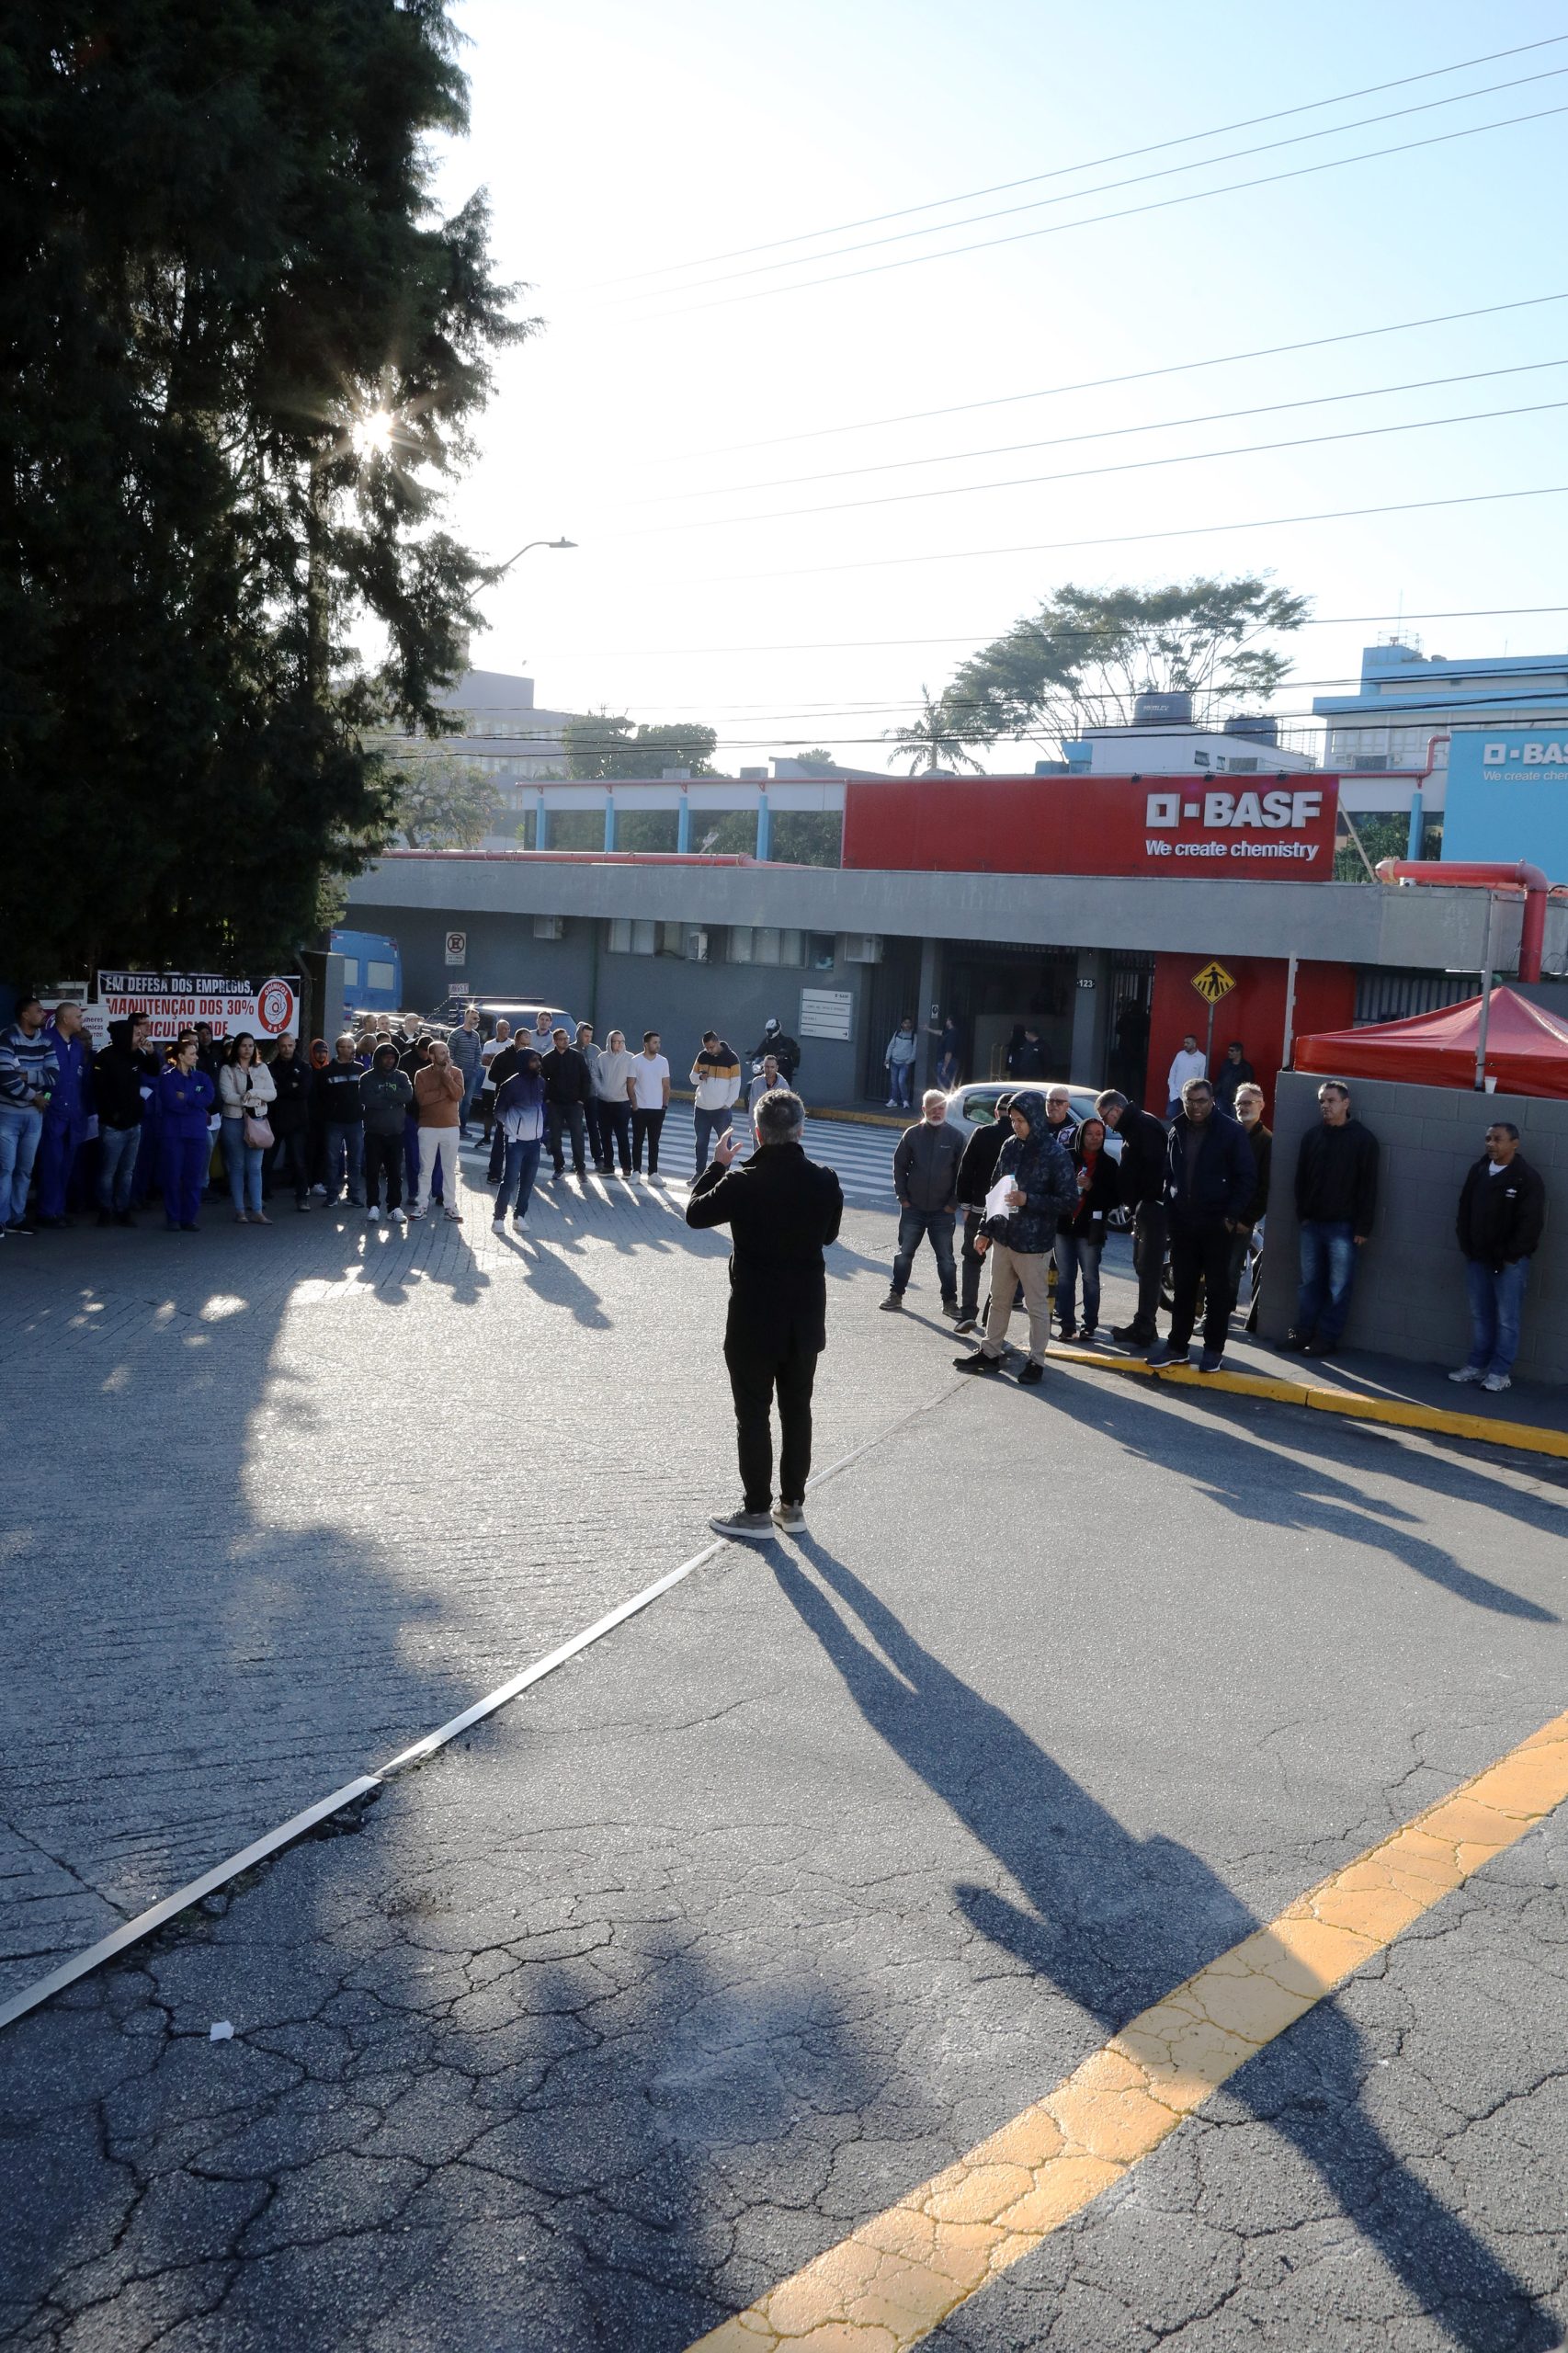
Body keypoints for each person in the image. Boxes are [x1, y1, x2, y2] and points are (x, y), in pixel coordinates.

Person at [687, 1088, 843, 1540]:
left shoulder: (741, 1182)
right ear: (800, 1130)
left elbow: (695, 1214)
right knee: (798, 1410)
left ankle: (756, 1512)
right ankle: (792, 1507)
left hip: (754, 1315)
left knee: (753, 1414)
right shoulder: (824, 1179)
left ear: (757, 1132)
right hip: (805, 1315)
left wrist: (717, 1164)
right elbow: (830, 1236)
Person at [953, 1094, 1077, 1384]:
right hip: (1004, 1238)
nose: (1016, 1126)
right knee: (999, 1299)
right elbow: (996, 1189)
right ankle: (990, 1352)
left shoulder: (1055, 1154)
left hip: (1034, 1245)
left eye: (1021, 1121)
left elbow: (1069, 1200)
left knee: (1036, 1306)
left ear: (1034, 1119)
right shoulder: (1009, 1145)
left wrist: (1028, 1199)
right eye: (1012, 1120)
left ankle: (1036, 1361)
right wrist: (985, 1230)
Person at [1147, 1077, 1254, 1373]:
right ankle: (1177, 1347)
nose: (1195, 1107)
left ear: (1212, 1101)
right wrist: (1171, 1208)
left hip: (1217, 1224)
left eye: (1201, 1101)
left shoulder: (1230, 1132)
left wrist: (1231, 1217)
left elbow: (1246, 1178)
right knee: (1183, 1288)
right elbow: (1170, 1174)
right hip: (1183, 1223)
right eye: (1189, 1101)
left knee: (1217, 1291)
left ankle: (1213, 1350)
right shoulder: (1176, 1129)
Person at [1279, 1080, 1380, 1358]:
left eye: (1331, 1100)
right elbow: (1300, 1178)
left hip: (1344, 1227)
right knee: (1309, 1283)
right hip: (1312, 1224)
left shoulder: (1363, 1140)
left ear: (1346, 1103)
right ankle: (1303, 1332)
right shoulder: (1312, 1136)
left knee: (1338, 1287)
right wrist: (1303, 1214)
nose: (1325, 1106)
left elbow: (1369, 1186)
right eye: (1322, 1101)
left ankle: (1327, 1338)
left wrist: (1363, 1227)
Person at [1449, 1120, 1546, 1394]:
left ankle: (1500, 1372)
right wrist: (1467, 1246)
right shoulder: (1479, 1170)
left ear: (1514, 1143)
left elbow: (1531, 1224)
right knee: (1481, 1315)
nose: (1491, 1144)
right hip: (1477, 1258)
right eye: (1488, 1138)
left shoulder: (1525, 1178)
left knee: (1507, 1319)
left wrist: (1510, 1256)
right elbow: (1464, 1209)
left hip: (1509, 1263)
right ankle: (1477, 1365)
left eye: (1498, 1139)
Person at [1096, 1087, 1170, 1347]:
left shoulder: (1142, 1126)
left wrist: (1140, 1201)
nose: (1107, 1125)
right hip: (1145, 1207)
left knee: (1148, 1268)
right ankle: (1145, 1322)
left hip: (1151, 1206)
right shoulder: (1136, 1126)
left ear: (1116, 1110)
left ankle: (1145, 1326)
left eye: (1106, 1118)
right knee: (1143, 1266)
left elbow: (1154, 1169)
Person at [881, 1088, 962, 1316]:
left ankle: (950, 1302)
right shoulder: (912, 1134)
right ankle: (895, 1295)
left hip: (942, 1211)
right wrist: (903, 1198)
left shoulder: (956, 1137)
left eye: (941, 1107)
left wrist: (952, 1204)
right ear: (924, 1109)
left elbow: (962, 1174)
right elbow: (899, 1166)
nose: (937, 1112)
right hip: (913, 1209)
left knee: (946, 1259)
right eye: (933, 1108)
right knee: (904, 1254)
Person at [952, 1090, 1014, 1335]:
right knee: (1004, 1265)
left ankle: (968, 1312)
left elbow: (966, 1171)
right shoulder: (1024, 1136)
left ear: (996, 1112)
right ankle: (991, 1315)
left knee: (972, 1259)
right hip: (1011, 1211)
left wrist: (965, 1206)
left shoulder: (983, 1133)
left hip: (980, 1207)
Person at [1054, 1115, 1118, 1342]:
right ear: (1081, 1135)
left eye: (1099, 1134)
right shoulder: (1065, 1158)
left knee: (1090, 1277)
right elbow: (1053, 1187)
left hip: (1090, 1228)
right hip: (1063, 1227)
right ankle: (1067, 1324)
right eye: (1090, 1134)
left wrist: (1092, 1186)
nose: (1095, 1138)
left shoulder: (1109, 1164)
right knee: (1065, 1278)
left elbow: (1114, 1199)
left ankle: (1089, 1324)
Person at [0, 998, 56, 1233]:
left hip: (35, 1115)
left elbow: (54, 1076)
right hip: (8, 1114)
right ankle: (1, 1219)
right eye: (39, 1010)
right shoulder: (7, 1038)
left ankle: (17, 1217)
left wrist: (26, 1075)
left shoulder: (46, 1040)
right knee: (5, 1169)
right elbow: (5, 1078)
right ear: (25, 1014)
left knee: (24, 1170)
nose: (43, 1014)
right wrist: (35, 1096)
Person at [35, 1003, 93, 1227]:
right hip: (53, 1112)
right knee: (51, 1163)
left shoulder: (77, 1047)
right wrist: (44, 1096)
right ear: (65, 1019)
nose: (82, 1021)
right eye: (78, 1017)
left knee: (66, 1165)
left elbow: (78, 1079)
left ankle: (58, 1209)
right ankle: (46, 1211)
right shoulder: (45, 1040)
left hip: (74, 1114)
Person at [93, 1016, 153, 1226]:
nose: (140, 1037)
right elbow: (100, 1091)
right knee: (108, 1172)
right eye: (136, 1034)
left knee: (127, 1171)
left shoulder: (136, 1055)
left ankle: (123, 1208)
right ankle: (105, 1209)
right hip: (113, 1126)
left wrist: (151, 1053)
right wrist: (114, 1115)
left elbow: (153, 1070)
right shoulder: (104, 1057)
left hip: (134, 1124)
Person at [217, 1031, 278, 1224]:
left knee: (255, 1167)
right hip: (233, 1120)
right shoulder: (228, 1069)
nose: (247, 1049)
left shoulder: (262, 1068)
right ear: (237, 1047)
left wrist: (253, 1093)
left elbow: (272, 1093)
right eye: (244, 1045)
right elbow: (227, 1096)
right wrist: (247, 1099)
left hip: (257, 1121)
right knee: (237, 1166)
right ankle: (239, 1210)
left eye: (251, 1046)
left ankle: (257, 1210)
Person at [156, 1036, 216, 1230]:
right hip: (173, 1134)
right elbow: (170, 1102)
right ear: (181, 1056)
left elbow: (208, 1097)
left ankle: (188, 1218)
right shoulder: (167, 1077)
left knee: (193, 1177)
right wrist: (193, 1102)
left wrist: (187, 1098)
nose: (196, 1057)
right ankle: (173, 1217)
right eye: (191, 1054)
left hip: (196, 1134)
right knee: (173, 1176)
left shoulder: (201, 1077)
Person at [1228, 1082, 1272, 1326]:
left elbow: (1265, 1187)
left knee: (1232, 1268)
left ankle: (1221, 1313)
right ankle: (1207, 1311)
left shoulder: (1267, 1142)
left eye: (1248, 1102)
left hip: (1242, 1218)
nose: (1242, 1107)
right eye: (1239, 1103)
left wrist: (1248, 1219)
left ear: (1261, 1104)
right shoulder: (1227, 1133)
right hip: (1218, 1213)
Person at [493, 1047, 547, 1231]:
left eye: (538, 1060)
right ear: (525, 1062)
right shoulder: (511, 1084)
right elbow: (499, 1111)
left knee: (528, 1181)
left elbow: (542, 1109)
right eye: (533, 1061)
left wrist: (542, 1133)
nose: (538, 1064)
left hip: (534, 1142)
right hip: (516, 1142)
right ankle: (498, 1218)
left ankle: (520, 1216)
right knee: (509, 1180)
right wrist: (512, 1130)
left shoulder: (541, 1083)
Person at [410, 1037, 464, 1220]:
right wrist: (444, 1092)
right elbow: (422, 1100)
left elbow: (457, 1095)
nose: (447, 1056)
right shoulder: (421, 1074)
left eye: (447, 1052)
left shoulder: (456, 1072)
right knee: (426, 1169)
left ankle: (450, 1206)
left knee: (449, 1169)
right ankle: (421, 1205)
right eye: (442, 1053)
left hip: (451, 1126)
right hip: (428, 1127)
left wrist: (446, 1075)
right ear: (431, 1056)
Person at [360, 1043, 413, 1224]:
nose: (389, 1061)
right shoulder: (367, 1077)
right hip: (374, 1132)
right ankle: (373, 1206)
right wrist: (392, 1099)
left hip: (396, 1132)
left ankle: (394, 1207)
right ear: (378, 1058)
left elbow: (408, 1096)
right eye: (386, 1057)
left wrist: (386, 1093)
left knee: (395, 1173)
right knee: (372, 1171)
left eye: (392, 1057)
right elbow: (368, 1099)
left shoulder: (401, 1076)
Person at [266, 1033, 313, 1211]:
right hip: (275, 1120)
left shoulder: (304, 1067)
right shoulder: (269, 1068)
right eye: (283, 1046)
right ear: (278, 1047)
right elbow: (269, 1092)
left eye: (290, 1045)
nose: (287, 1049)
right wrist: (291, 1086)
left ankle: (302, 1197)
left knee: (299, 1161)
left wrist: (281, 1087)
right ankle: (262, 1195)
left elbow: (303, 1091)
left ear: (295, 1046)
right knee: (267, 1160)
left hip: (297, 1122)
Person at [318, 1035, 367, 1207]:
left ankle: (354, 1195)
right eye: (346, 1046)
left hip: (355, 1121)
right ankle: (331, 1195)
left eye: (351, 1046)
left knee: (356, 1160)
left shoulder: (360, 1069)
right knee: (332, 1160)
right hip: (334, 1122)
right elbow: (321, 1098)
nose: (350, 1050)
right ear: (338, 1049)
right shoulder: (327, 1071)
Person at [541, 1025, 592, 1179]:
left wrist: (581, 1100)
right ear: (555, 1041)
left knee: (577, 1136)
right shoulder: (548, 1058)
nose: (565, 1041)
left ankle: (580, 1168)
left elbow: (586, 1079)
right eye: (561, 1039)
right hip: (555, 1104)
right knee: (555, 1137)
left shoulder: (577, 1056)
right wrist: (548, 1099)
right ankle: (559, 1165)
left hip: (574, 1104)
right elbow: (543, 1080)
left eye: (566, 1039)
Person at [690, 1031, 743, 1173]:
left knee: (724, 1142)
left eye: (711, 1047)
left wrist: (727, 1104)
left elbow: (736, 1084)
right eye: (706, 1047)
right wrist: (700, 1077)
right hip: (701, 1107)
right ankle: (699, 1172)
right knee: (701, 1142)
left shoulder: (732, 1058)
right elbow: (692, 1077)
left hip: (721, 1110)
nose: (709, 1050)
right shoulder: (702, 1056)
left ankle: (724, 1173)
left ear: (718, 1042)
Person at [594, 1029, 636, 1176]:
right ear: (609, 1042)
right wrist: (601, 1090)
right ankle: (608, 1165)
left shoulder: (630, 1058)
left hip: (622, 1102)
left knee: (622, 1135)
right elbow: (595, 1075)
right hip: (603, 1101)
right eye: (615, 1041)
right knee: (604, 1135)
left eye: (621, 1041)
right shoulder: (602, 1058)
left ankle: (626, 1166)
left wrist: (626, 1094)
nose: (618, 1044)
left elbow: (633, 1080)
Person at [631, 1030, 671, 1176]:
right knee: (638, 1141)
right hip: (640, 1108)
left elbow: (666, 1085)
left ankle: (653, 1172)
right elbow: (630, 1084)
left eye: (659, 1042)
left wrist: (664, 1106)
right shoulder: (635, 1061)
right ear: (646, 1044)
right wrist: (635, 1106)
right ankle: (636, 1171)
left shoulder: (663, 1061)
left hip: (657, 1109)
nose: (658, 1045)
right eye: (655, 1042)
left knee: (654, 1142)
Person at [448, 1005, 485, 1137]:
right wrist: (457, 1069)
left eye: (478, 1019)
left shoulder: (475, 1036)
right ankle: (454, 1126)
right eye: (474, 1018)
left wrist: (476, 1068)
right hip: (458, 1073)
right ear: (467, 1017)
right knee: (459, 1100)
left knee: (468, 1102)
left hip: (471, 1073)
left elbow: (477, 1052)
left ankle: (463, 1126)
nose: (476, 1021)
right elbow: (450, 1053)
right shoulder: (456, 1034)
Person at [574, 1023, 608, 1169]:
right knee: (576, 1128)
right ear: (579, 1034)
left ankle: (598, 1158)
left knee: (593, 1127)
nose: (588, 1039)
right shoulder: (570, 1049)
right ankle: (577, 1160)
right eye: (585, 1035)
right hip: (574, 1095)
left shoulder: (595, 1050)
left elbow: (602, 1071)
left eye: (590, 1036)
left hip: (592, 1094)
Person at [305, 1036, 332, 1194]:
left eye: (324, 1052)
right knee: (309, 1150)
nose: (321, 1055)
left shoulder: (329, 1070)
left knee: (323, 1150)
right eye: (318, 1052)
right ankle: (307, 1183)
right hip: (309, 1117)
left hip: (326, 1117)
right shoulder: (308, 1069)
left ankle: (318, 1181)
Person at [478, 1017, 511, 1142]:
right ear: (498, 1029)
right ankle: (486, 1136)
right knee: (487, 1111)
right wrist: (497, 1059)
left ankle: (502, 1136)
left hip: (504, 1084)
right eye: (504, 1028)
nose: (507, 1031)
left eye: (508, 1029)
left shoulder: (511, 1044)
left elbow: (507, 1063)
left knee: (503, 1111)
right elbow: (484, 1060)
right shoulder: (488, 1044)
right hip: (488, 1083)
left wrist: (493, 1057)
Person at [748, 1017, 800, 1086]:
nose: (770, 1032)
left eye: (771, 1030)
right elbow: (760, 1050)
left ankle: (784, 1093)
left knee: (783, 1077)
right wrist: (753, 1057)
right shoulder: (767, 1040)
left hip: (782, 1066)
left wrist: (783, 1054)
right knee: (760, 1072)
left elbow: (788, 1050)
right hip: (769, 1064)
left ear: (777, 1029)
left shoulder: (787, 1040)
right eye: (768, 1030)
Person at [1165, 1032, 1207, 1118]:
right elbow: (1173, 1071)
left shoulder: (1202, 1058)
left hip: (1190, 1094)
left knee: (1188, 1117)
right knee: (1171, 1113)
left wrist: (1196, 1093)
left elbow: (1201, 1078)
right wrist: (1172, 1087)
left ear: (1194, 1044)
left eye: (1188, 1043)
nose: (1185, 1045)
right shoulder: (1180, 1055)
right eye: (1184, 1042)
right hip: (1176, 1092)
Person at [883, 1016, 918, 1110]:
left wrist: (909, 1061)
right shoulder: (897, 1033)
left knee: (901, 1081)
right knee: (894, 1082)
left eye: (909, 1023)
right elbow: (891, 1046)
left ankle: (905, 1100)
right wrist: (887, 1058)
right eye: (905, 1023)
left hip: (904, 1063)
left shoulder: (913, 1035)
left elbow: (915, 1050)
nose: (907, 1024)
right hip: (894, 1062)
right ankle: (893, 1100)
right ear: (902, 1024)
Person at [1213, 1040, 1255, 1111]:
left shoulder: (1246, 1067)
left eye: (1232, 1051)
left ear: (1239, 1052)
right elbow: (1220, 1080)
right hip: (1222, 1098)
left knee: (1235, 1121)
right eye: (1229, 1050)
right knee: (1221, 1120)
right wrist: (1215, 1094)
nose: (1229, 1052)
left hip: (1237, 1099)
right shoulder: (1226, 1064)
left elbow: (1249, 1085)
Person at [928, 1012, 961, 1090]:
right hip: (951, 1062)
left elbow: (949, 1052)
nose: (946, 1021)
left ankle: (945, 1102)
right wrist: (928, 1029)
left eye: (947, 1020)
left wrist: (944, 1067)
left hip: (947, 1062)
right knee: (948, 1085)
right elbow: (940, 1032)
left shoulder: (952, 1034)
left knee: (943, 1086)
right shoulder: (950, 1032)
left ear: (950, 1021)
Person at [1042, 1084, 1078, 1154]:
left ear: (1067, 1106)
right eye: (1051, 1101)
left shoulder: (1076, 1132)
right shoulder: (1034, 1126)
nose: (1054, 1105)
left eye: (1059, 1102)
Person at [747, 1052, 785, 1116]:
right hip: (759, 1121)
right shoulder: (756, 1082)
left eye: (772, 1067)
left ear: (776, 1068)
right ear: (763, 1067)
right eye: (767, 1067)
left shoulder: (783, 1084)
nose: (769, 1070)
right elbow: (752, 1106)